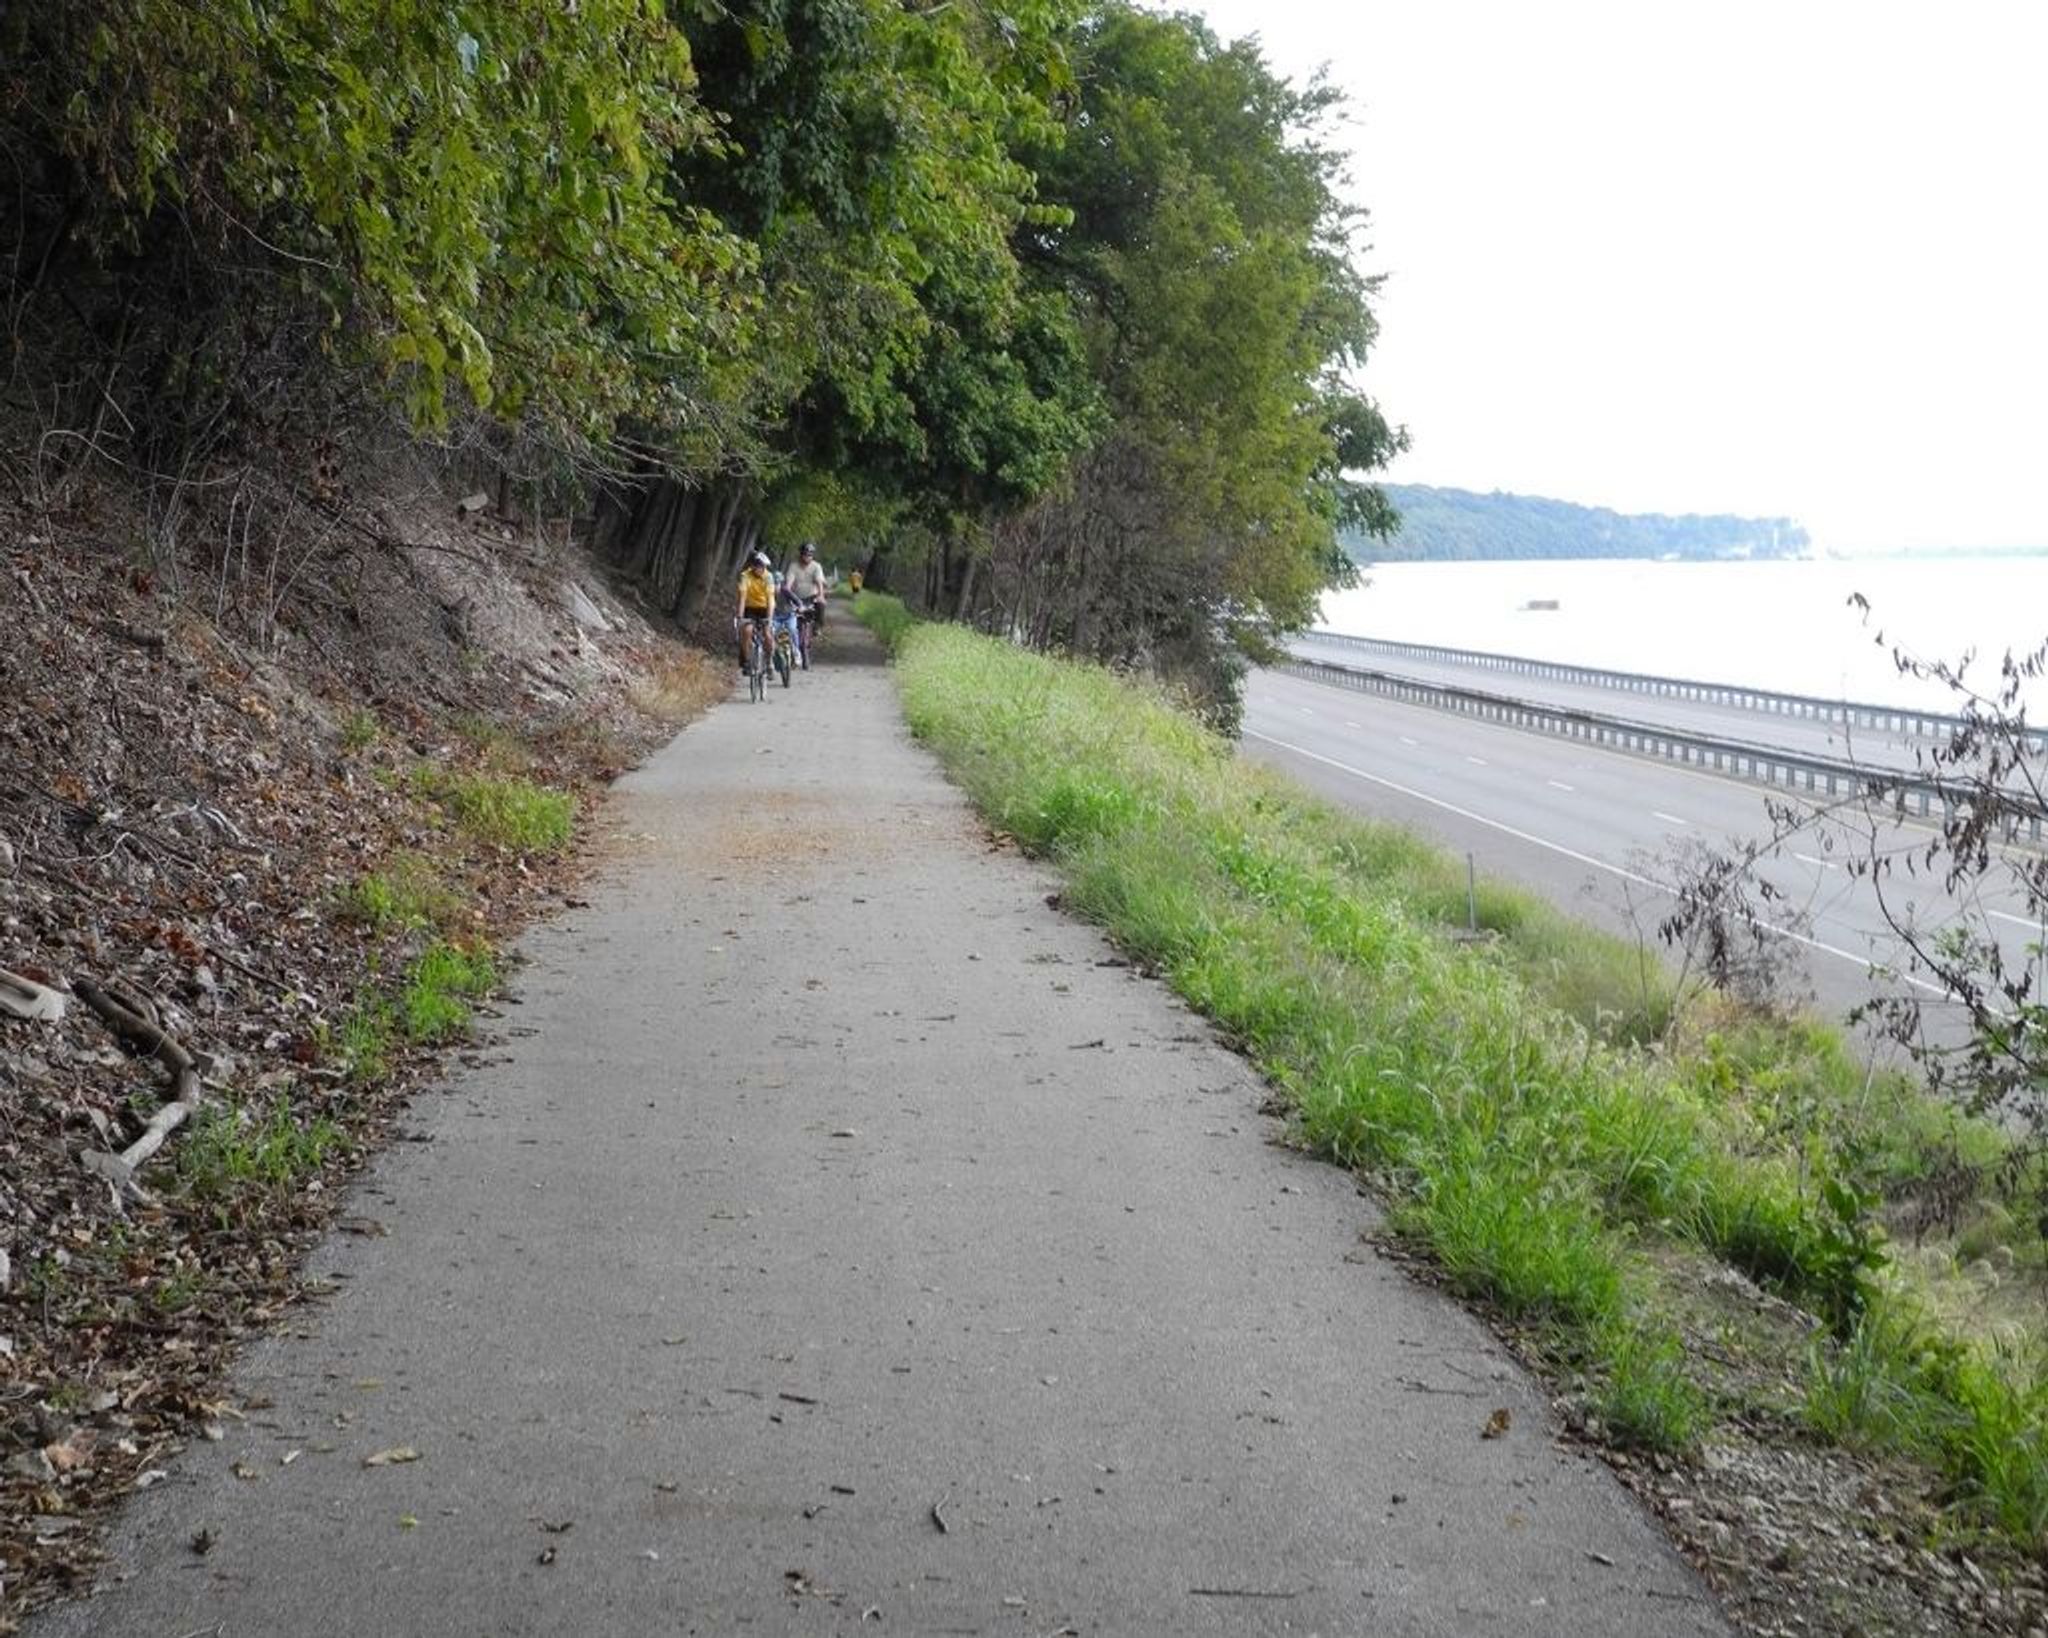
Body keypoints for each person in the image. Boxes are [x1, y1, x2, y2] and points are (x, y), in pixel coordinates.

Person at [735, 549, 774, 676]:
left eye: (762, 567)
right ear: (752, 566)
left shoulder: (768, 577)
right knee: (747, 631)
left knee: (767, 634)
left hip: (764, 608)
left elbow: (770, 600)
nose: (759, 569)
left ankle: (769, 662)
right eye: (757, 566)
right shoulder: (745, 576)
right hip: (750, 608)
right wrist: (740, 617)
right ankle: (746, 661)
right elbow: (742, 597)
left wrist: (769, 618)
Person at [785, 541, 828, 638]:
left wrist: (820, 595)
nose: (807, 557)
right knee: (787, 610)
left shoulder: (816, 566)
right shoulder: (793, 566)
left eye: (810, 555)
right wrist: (787, 590)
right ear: (801, 555)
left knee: (821, 604)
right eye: (805, 554)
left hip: (812, 596)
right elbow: (789, 582)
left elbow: (819, 582)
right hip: (796, 597)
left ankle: (817, 626)